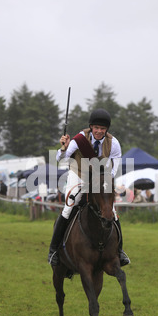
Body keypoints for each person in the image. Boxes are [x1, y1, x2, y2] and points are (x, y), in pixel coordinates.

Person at [48, 108, 130, 268]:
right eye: (96, 128)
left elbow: (115, 164)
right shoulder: (79, 139)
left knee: (111, 210)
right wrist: (63, 148)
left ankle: (119, 251)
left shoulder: (113, 143)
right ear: (91, 127)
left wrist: (106, 180)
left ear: (106, 130)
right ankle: (53, 251)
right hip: (78, 174)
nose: (99, 131)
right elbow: (60, 159)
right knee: (69, 206)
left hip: (99, 177)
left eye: (102, 129)